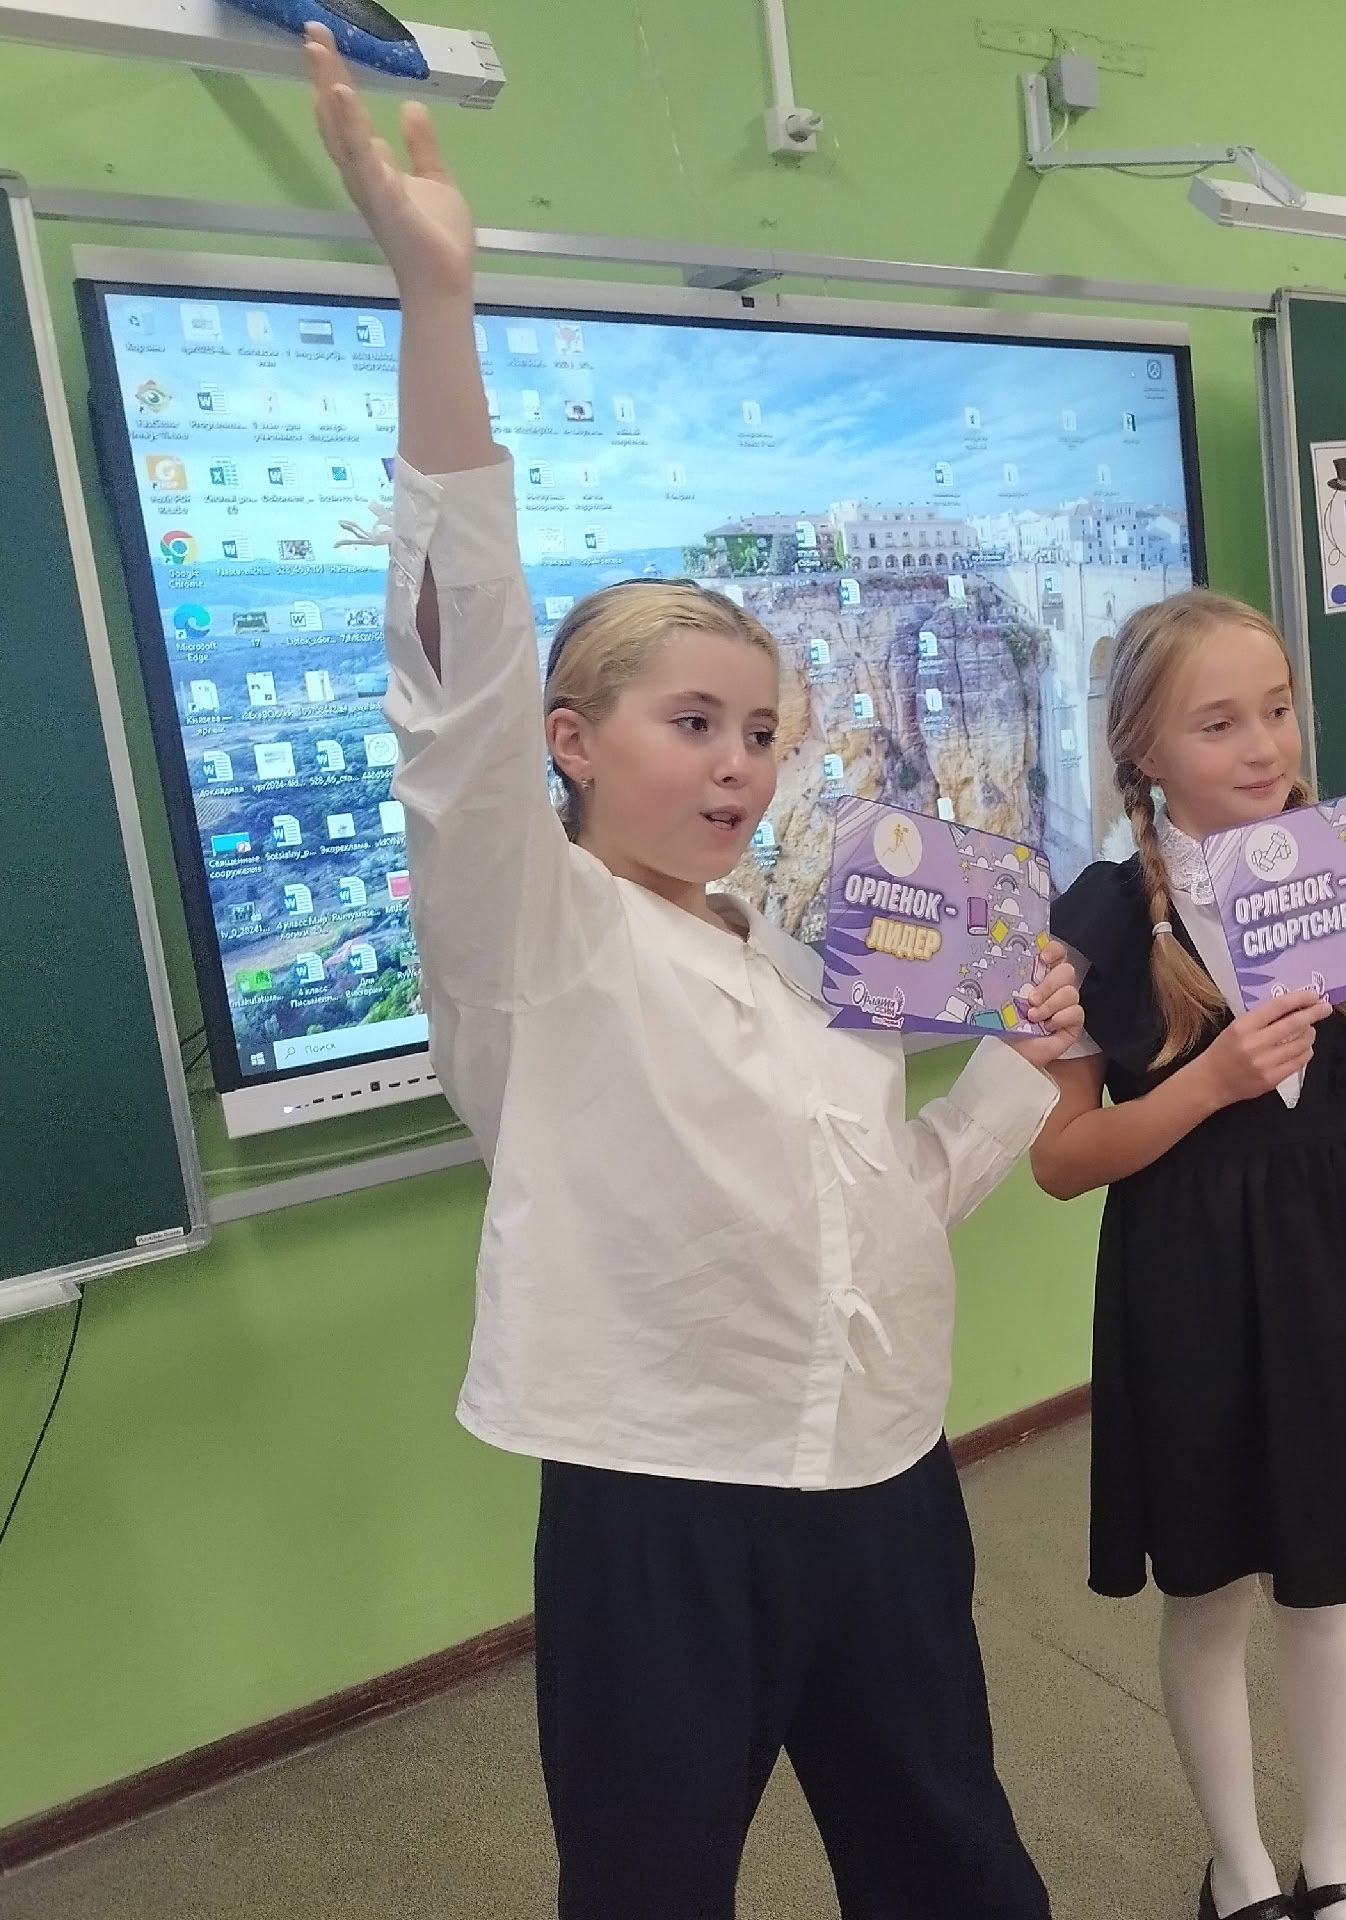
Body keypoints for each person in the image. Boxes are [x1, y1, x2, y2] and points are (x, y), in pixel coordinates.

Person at [302, 29, 1082, 1917]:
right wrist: (437, 308)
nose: (737, 766)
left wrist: (1021, 1069)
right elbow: (455, 683)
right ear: (573, 742)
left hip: (882, 1476)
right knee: (652, 1883)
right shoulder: (536, 936)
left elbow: (887, 1200)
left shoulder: (808, 955)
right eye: (690, 724)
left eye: (758, 730)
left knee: (955, 1864)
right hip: (663, 1500)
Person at [1027, 589, 1346, 1920]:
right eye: (1218, 724)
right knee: (1209, 1589)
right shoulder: (1101, 916)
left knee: (1324, 1579)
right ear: (1143, 749)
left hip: (1330, 1259)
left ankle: (1331, 1858)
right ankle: (1240, 1870)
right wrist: (1209, 1083)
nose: (1263, 746)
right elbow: (1062, 1160)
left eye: (1277, 710)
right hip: (1190, 1283)